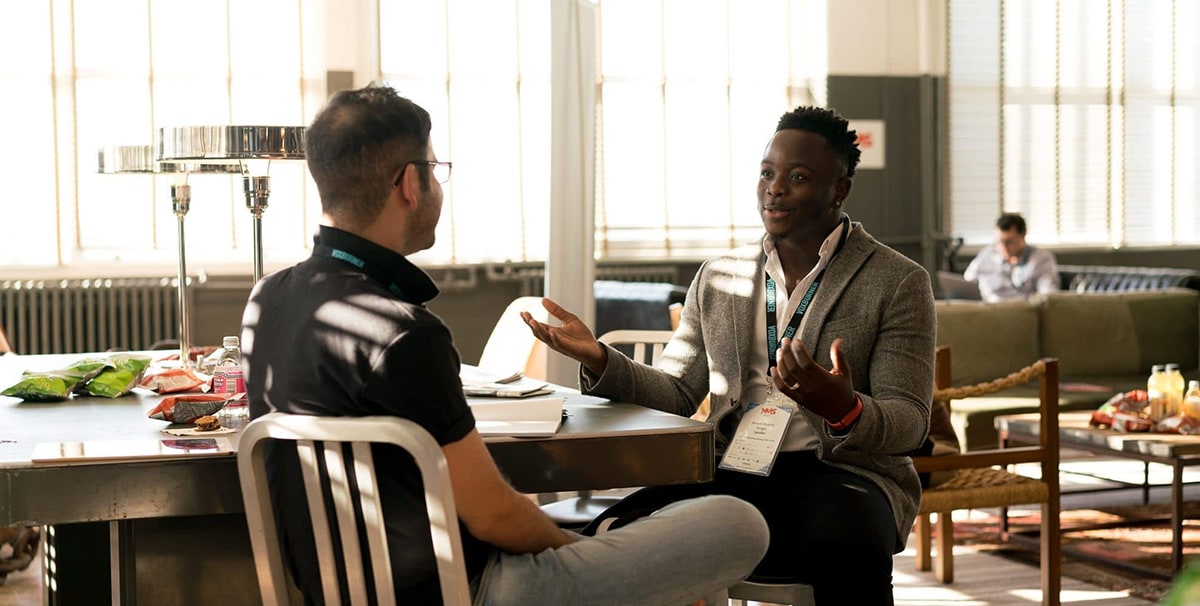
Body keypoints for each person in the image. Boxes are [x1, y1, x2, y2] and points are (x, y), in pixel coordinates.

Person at [239, 84, 768, 606]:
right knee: (738, 522)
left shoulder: (269, 300)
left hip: (334, 592)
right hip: (471, 592)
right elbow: (494, 515)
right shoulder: (405, 333)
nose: (438, 185)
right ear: (408, 184)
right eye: (435, 169)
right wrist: (580, 555)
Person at [523, 106, 935, 604]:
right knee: (617, 527)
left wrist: (844, 408)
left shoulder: (897, 281)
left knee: (847, 538)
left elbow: (910, 422)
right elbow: (676, 392)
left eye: (797, 177)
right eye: (767, 173)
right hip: (733, 468)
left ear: (840, 190)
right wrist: (601, 360)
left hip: (842, 473)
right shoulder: (720, 275)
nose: (774, 188)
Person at [963, 212, 1060, 302]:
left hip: (1021, 312)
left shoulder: (1041, 259)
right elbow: (966, 283)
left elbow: (1048, 296)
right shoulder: (987, 255)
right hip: (987, 310)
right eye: (1000, 241)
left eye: (1009, 242)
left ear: (1023, 234)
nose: (1004, 247)